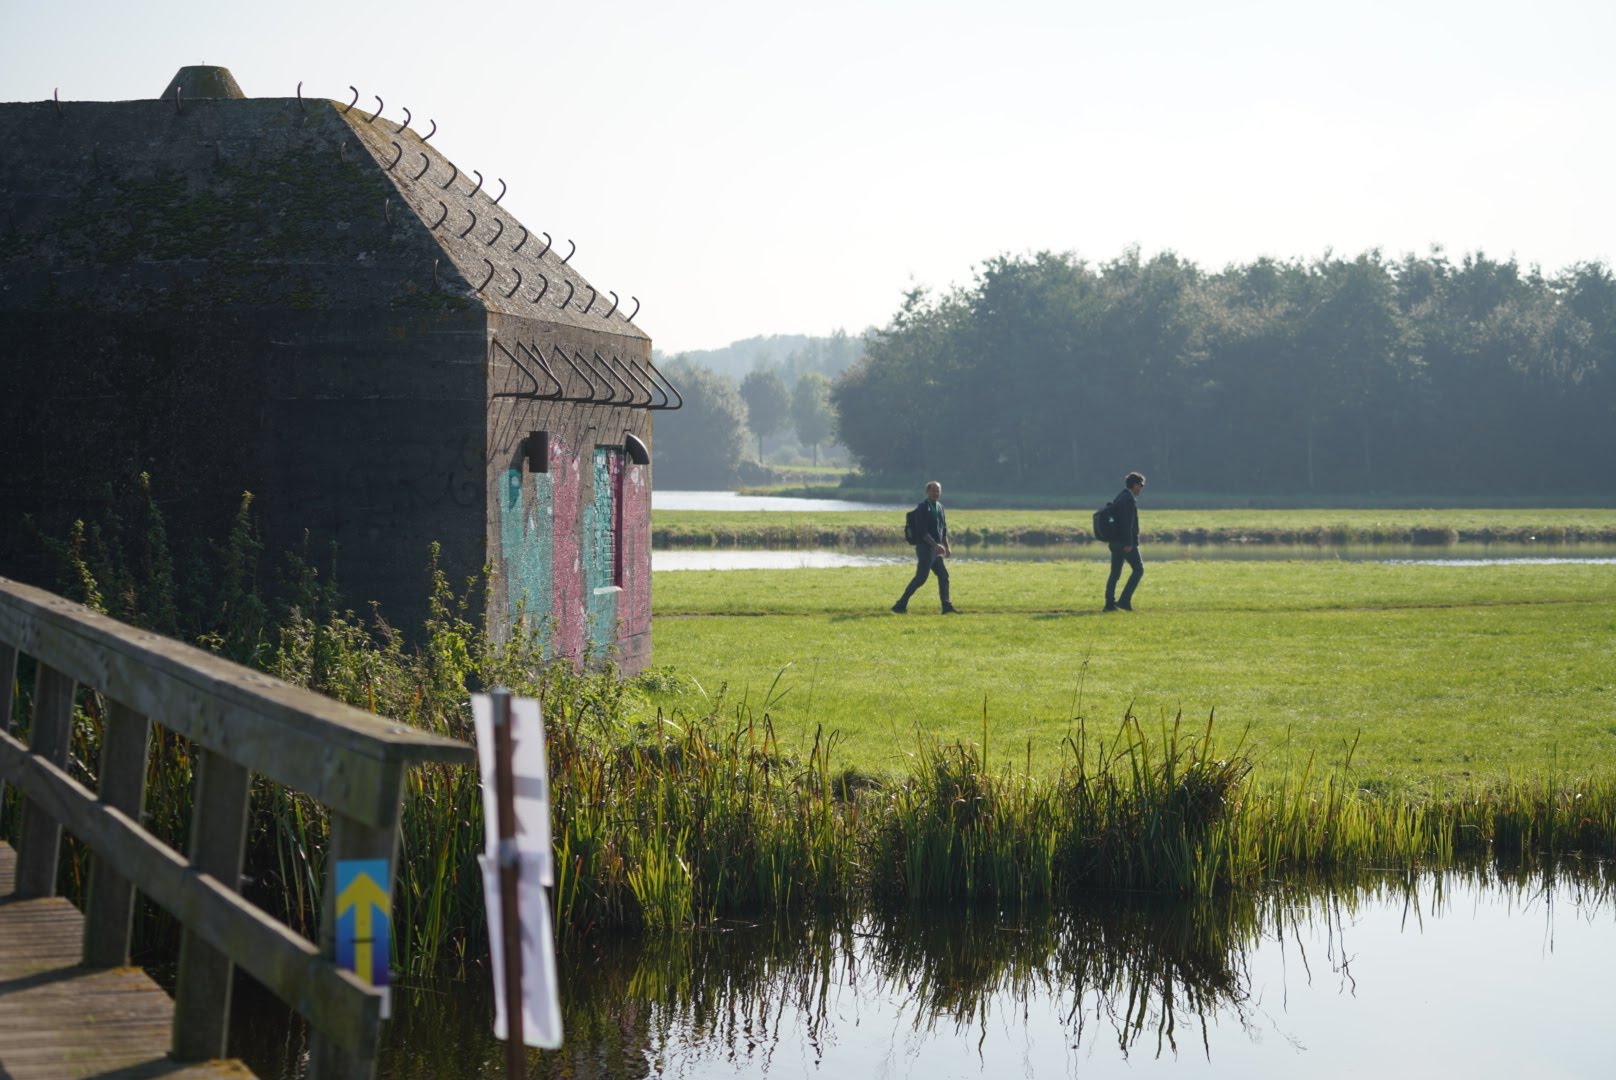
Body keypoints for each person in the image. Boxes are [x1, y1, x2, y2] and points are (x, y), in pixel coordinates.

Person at [892, 480, 959, 614]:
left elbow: (943, 529)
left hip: (936, 550)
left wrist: (947, 546)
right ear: (927, 492)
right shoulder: (922, 507)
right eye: (933, 490)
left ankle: (946, 607)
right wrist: (935, 545)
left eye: (938, 491)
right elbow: (922, 532)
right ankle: (900, 605)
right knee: (921, 579)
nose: (935, 493)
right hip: (925, 549)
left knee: (944, 576)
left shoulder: (940, 507)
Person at [1104, 471, 1146, 612]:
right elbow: (1127, 523)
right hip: (1125, 542)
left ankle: (1109, 604)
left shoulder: (1121, 496)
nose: (1142, 488)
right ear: (1134, 485)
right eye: (1141, 485)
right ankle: (1124, 601)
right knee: (1139, 570)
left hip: (1114, 542)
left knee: (1114, 574)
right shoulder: (1128, 499)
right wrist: (1129, 543)